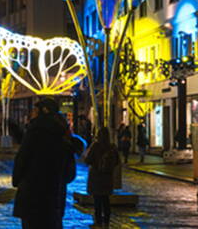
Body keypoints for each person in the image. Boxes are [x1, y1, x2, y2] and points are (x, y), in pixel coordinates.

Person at [12, 98, 78, 229]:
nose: (32, 113)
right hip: (55, 191)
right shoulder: (62, 132)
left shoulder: (35, 130)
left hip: (33, 190)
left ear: (44, 111)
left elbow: (22, 158)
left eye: (35, 110)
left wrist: (17, 179)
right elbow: (70, 168)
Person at [85, 127, 119, 228]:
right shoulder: (112, 147)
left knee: (97, 201)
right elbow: (117, 161)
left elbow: (88, 160)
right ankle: (107, 222)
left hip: (96, 178)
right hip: (107, 178)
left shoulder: (96, 146)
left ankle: (98, 222)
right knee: (106, 201)